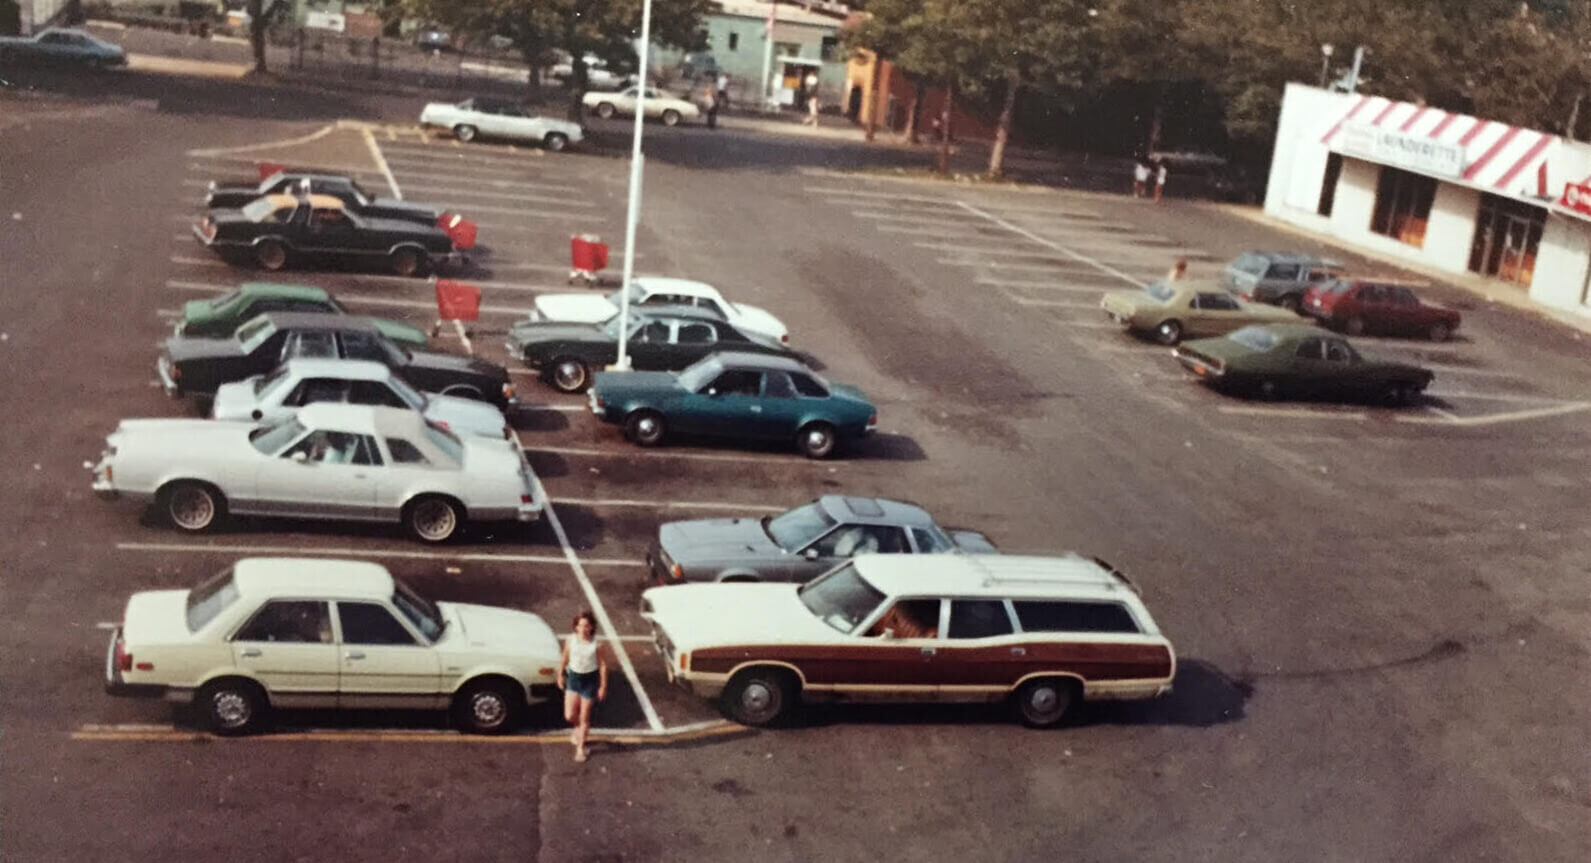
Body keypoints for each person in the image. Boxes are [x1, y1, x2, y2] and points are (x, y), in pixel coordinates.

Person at [558, 610, 608, 763]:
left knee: (584, 715)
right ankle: (579, 728)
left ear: (592, 627)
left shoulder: (596, 645)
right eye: (580, 625)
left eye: (587, 626)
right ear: (576, 627)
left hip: (589, 681)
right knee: (569, 715)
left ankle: (581, 748)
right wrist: (559, 674)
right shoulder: (570, 640)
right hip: (574, 679)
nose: (584, 629)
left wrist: (603, 686)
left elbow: (603, 666)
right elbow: (565, 658)